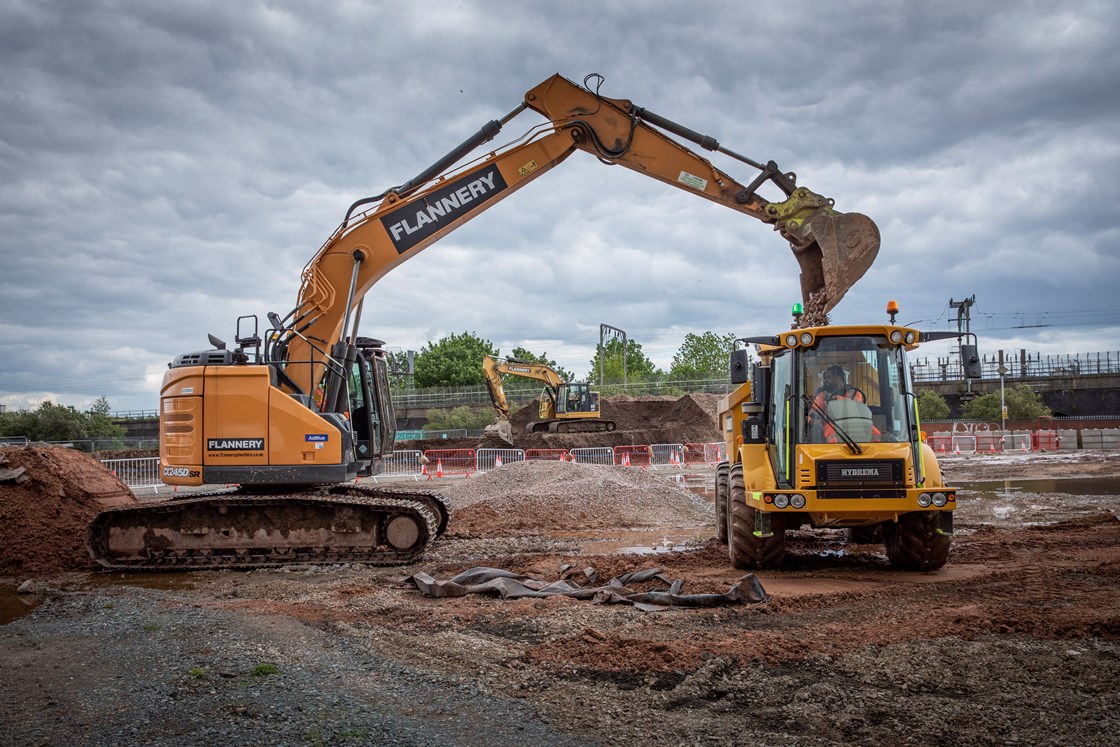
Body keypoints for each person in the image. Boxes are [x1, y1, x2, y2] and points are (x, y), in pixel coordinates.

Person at [809, 365, 876, 443]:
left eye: (828, 377)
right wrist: (813, 418)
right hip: (832, 424)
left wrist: (835, 398)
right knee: (831, 431)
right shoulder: (823, 395)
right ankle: (835, 451)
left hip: (856, 423)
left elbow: (852, 404)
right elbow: (815, 410)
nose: (825, 381)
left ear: (839, 378)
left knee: (875, 432)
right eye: (825, 378)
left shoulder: (854, 393)